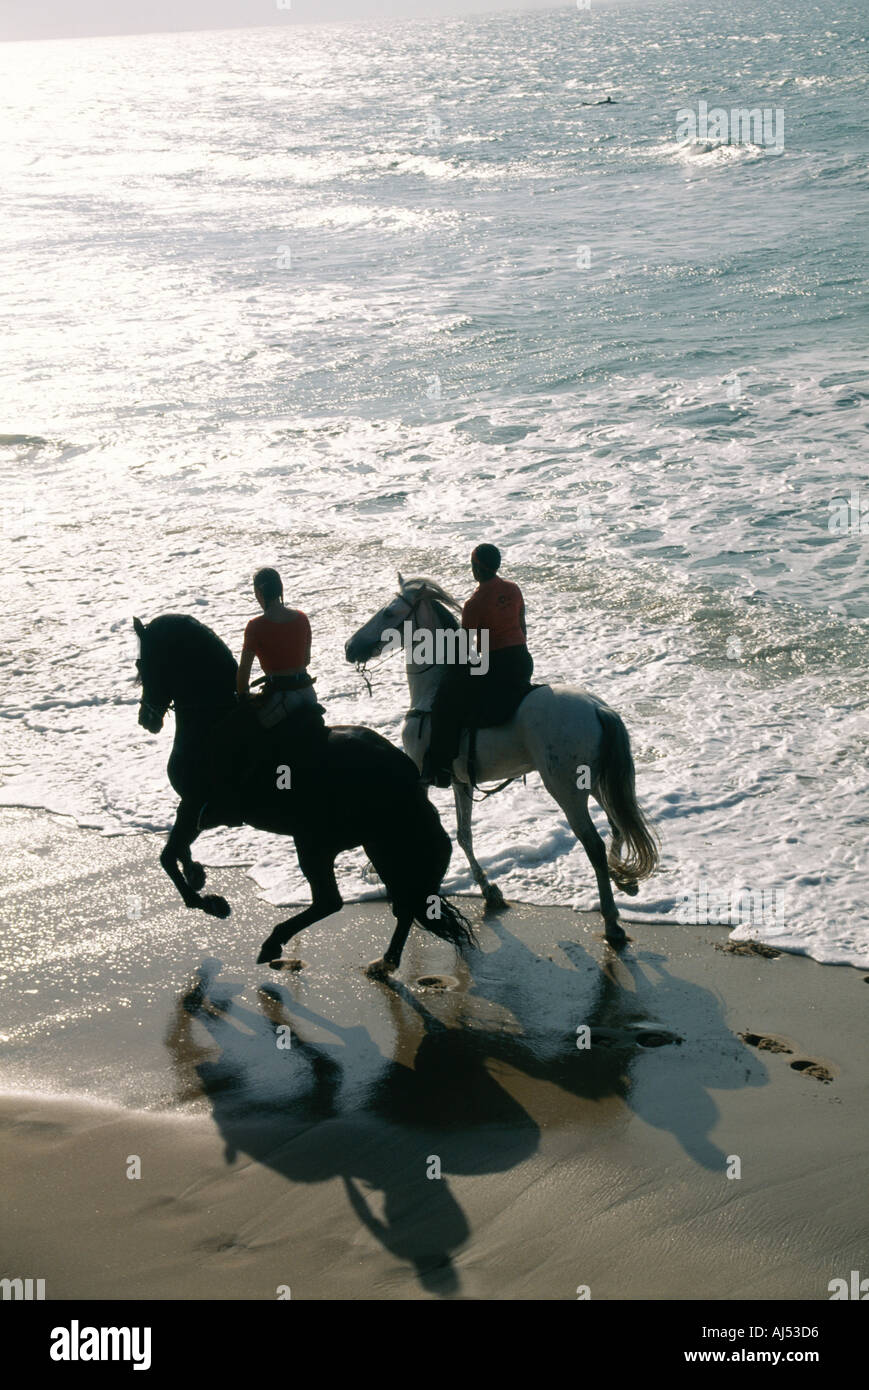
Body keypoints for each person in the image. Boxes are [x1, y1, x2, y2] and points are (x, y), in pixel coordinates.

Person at [423, 544, 534, 788]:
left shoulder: (474, 603)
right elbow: (522, 627)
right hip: (523, 661)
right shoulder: (513, 589)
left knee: (445, 700)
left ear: (476, 567)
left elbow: (466, 647)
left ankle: (441, 767)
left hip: (496, 667)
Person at [238, 567, 318, 728]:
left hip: (281, 698)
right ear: (280, 589)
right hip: (308, 694)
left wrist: (242, 696)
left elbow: (244, 672)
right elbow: (306, 660)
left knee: (246, 731)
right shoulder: (302, 618)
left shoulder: (255, 626)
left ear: (259, 593)